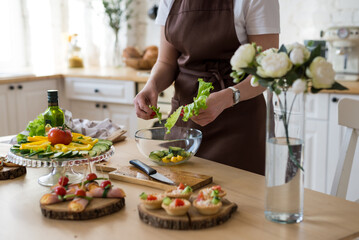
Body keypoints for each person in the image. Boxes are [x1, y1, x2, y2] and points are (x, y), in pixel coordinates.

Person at [134, 0, 280, 175]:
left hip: (239, 123)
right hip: (184, 122)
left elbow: (266, 71)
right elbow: (166, 62)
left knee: (238, 197)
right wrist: (152, 86)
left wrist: (229, 96)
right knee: (177, 194)